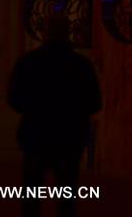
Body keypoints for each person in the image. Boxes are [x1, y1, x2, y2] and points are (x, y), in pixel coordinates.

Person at [8, 15, 101, 217]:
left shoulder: (28, 63)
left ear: (44, 33)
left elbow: (14, 99)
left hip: (36, 135)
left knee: (32, 193)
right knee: (67, 194)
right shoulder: (81, 65)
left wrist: (35, 109)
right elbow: (94, 102)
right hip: (70, 136)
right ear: (67, 32)